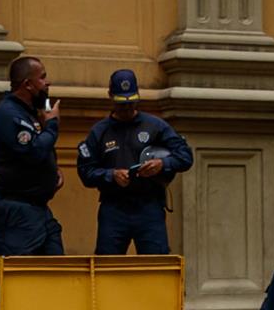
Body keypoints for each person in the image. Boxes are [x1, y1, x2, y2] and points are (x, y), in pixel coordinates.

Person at [76, 69, 193, 255]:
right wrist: (111, 175)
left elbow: (185, 157)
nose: (127, 108)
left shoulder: (156, 126)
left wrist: (162, 164)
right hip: (114, 209)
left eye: (132, 102)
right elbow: (85, 172)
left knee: (155, 267)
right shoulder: (99, 132)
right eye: (122, 104)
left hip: (149, 207)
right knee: (107, 268)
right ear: (110, 96)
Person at [0, 55, 63, 272]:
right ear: (27, 84)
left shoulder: (31, 113)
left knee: (57, 272)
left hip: (39, 209)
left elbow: (41, 151)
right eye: (42, 78)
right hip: (18, 212)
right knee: (18, 278)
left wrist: (53, 171)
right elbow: (33, 151)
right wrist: (52, 124)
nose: (47, 83)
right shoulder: (8, 114)